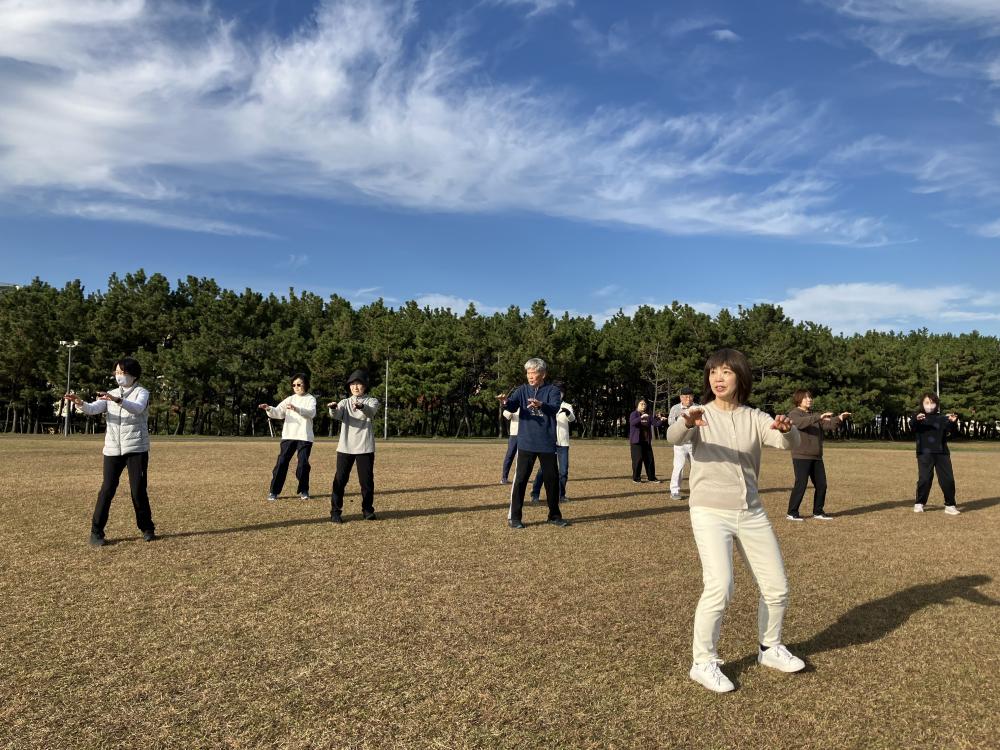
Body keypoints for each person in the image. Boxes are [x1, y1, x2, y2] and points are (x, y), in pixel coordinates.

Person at [667, 348, 804, 693]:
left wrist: (786, 430)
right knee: (720, 586)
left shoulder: (754, 417)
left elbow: (786, 442)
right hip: (710, 511)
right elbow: (672, 437)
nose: (718, 378)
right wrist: (686, 422)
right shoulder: (699, 414)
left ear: (740, 377)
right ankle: (703, 662)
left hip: (752, 511)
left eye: (726, 372)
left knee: (777, 587)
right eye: (713, 372)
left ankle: (769, 648)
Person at [64, 357, 156, 547]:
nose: (118, 376)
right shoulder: (111, 393)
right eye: (116, 372)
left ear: (134, 375)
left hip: (136, 448)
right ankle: (96, 532)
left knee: (138, 490)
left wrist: (118, 400)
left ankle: (147, 528)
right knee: (106, 490)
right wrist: (79, 402)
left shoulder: (142, 392)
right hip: (112, 449)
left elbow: (138, 409)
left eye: (122, 373)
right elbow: (92, 409)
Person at [498, 358, 569, 529]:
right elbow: (512, 406)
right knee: (521, 480)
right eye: (528, 373)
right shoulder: (521, 390)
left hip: (546, 443)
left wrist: (541, 405)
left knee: (551, 480)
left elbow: (554, 408)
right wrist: (505, 401)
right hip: (526, 443)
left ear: (543, 374)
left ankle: (554, 515)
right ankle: (515, 517)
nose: (530, 376)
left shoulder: (552, 390)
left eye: (534, 373)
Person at [785, 390, 850, 521]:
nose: (809, 400)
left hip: (816, 456)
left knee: (822, 485)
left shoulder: (814, 416)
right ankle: (792, 513)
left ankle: (818, 512)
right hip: (801, 456)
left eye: (810, 398)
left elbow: (828, 425)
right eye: (806, 398)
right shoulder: (794, 414)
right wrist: (818, 417)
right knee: (801, 484)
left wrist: (840, 418)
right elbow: (800, 423)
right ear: (799, 400)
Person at [327, 369, 380, 523]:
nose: (355, 387)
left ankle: (368, 510)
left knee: (366, 482)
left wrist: (362, 407)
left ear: (365, 386)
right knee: (340, 480)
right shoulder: (344, 402)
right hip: (345, 447)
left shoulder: (372, 401)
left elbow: (371, 413)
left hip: (365, 447)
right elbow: (337, 415)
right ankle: (335, 512)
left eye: (359, 384)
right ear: (349, 387)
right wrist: (332, 408)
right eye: (352, 384)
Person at [259, 373, 317, 501]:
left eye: (299, 384)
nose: (296, 387)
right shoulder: (289, 399)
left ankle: (304, 490)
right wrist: (268, 408)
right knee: (282, 462)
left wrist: (296, 409)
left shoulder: (310, 399)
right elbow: (279, 413)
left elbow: (311, 413)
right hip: (289, 435)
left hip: (304, 436)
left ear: (305, 385)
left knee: (303, 464)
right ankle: (274, 491)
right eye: (294, 385)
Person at [910, 392, 961, 515]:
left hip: (942, 452)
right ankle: (919, 503)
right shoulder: (918, 417)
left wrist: (953, 422)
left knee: (948, 479)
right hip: (924, 452)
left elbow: (953, 433)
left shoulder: (942, 418)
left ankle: (950, 505)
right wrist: (916, 420)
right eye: (927, 403)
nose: (930, 405)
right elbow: (912, 426)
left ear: (936, 404)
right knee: (925, 478)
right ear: (922, 404)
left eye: (932, 403)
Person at [530, 382, 574, 504]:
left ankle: (561, 495)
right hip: (548, 442)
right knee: (543, 470)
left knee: (563, 471)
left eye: (561, 392)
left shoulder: (567, 406)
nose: (559, 394)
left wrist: (567, 412)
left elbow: (572, 419)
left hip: (563, 443)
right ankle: (535, 493)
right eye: (557, 391)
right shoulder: (545, 405)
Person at [667, 387, 698, 500]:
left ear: (693, 397)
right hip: (680, 443)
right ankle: (674, 490)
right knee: (678, 467)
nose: (688, 399)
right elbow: (670, 422)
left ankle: (697, 490)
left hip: (694, 442)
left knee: (697, 468)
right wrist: (681, 422)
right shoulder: (675, 408)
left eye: (690, 396)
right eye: (685, 396)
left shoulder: (698, 407)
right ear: (681, 397)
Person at [629, 399, 664, 483]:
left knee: (650, 460)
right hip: (636, 442)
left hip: (646, 441)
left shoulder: (648, 415)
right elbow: (632, 423)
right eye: (641, 404)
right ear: (637, 405)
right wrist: (640, 417)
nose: (643, 405)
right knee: (638, 460)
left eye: (644, 404)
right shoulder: (634, 414)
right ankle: (636, 478)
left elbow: (656, 424)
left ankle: (651, 478)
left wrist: (661, 420)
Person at [499, 401, 519, 484]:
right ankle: (504, 477)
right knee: (510, 455)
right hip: (514, 434)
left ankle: (518, 477)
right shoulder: (512, 406)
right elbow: (507, 414)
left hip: (526, 435)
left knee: (522, 458)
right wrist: (506, 408)